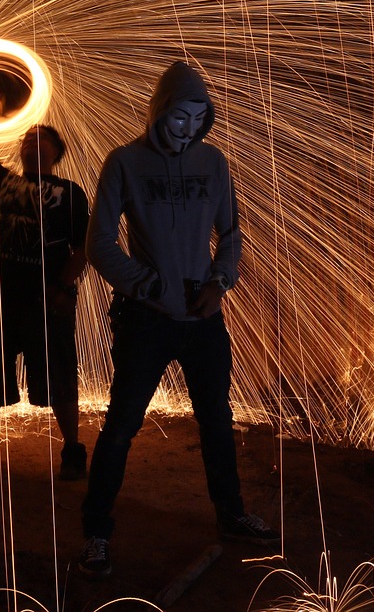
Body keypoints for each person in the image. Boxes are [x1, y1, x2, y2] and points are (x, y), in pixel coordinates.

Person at [76, 60, 278, 578]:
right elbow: (98, 244)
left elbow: (231, 233)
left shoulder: (214, 164)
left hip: (202, 318)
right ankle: (96, 532)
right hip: (146, 320)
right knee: (122, 426)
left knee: (217, 420)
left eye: (198, 118)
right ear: (158, 112)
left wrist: (220, 283)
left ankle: (231, 514)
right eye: (178, 118)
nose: (187, 129)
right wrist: (146, 286)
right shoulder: (123, 163)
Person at [0, 75, 91, 481]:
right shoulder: (4, 182)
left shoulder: (70, 193)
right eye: (27, 137)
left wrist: (64, 289)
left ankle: (73, 449)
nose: (32, 141)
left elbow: (83, 247)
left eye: (41, 138)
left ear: (56, 151)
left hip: (44, 302)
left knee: (60, 375)